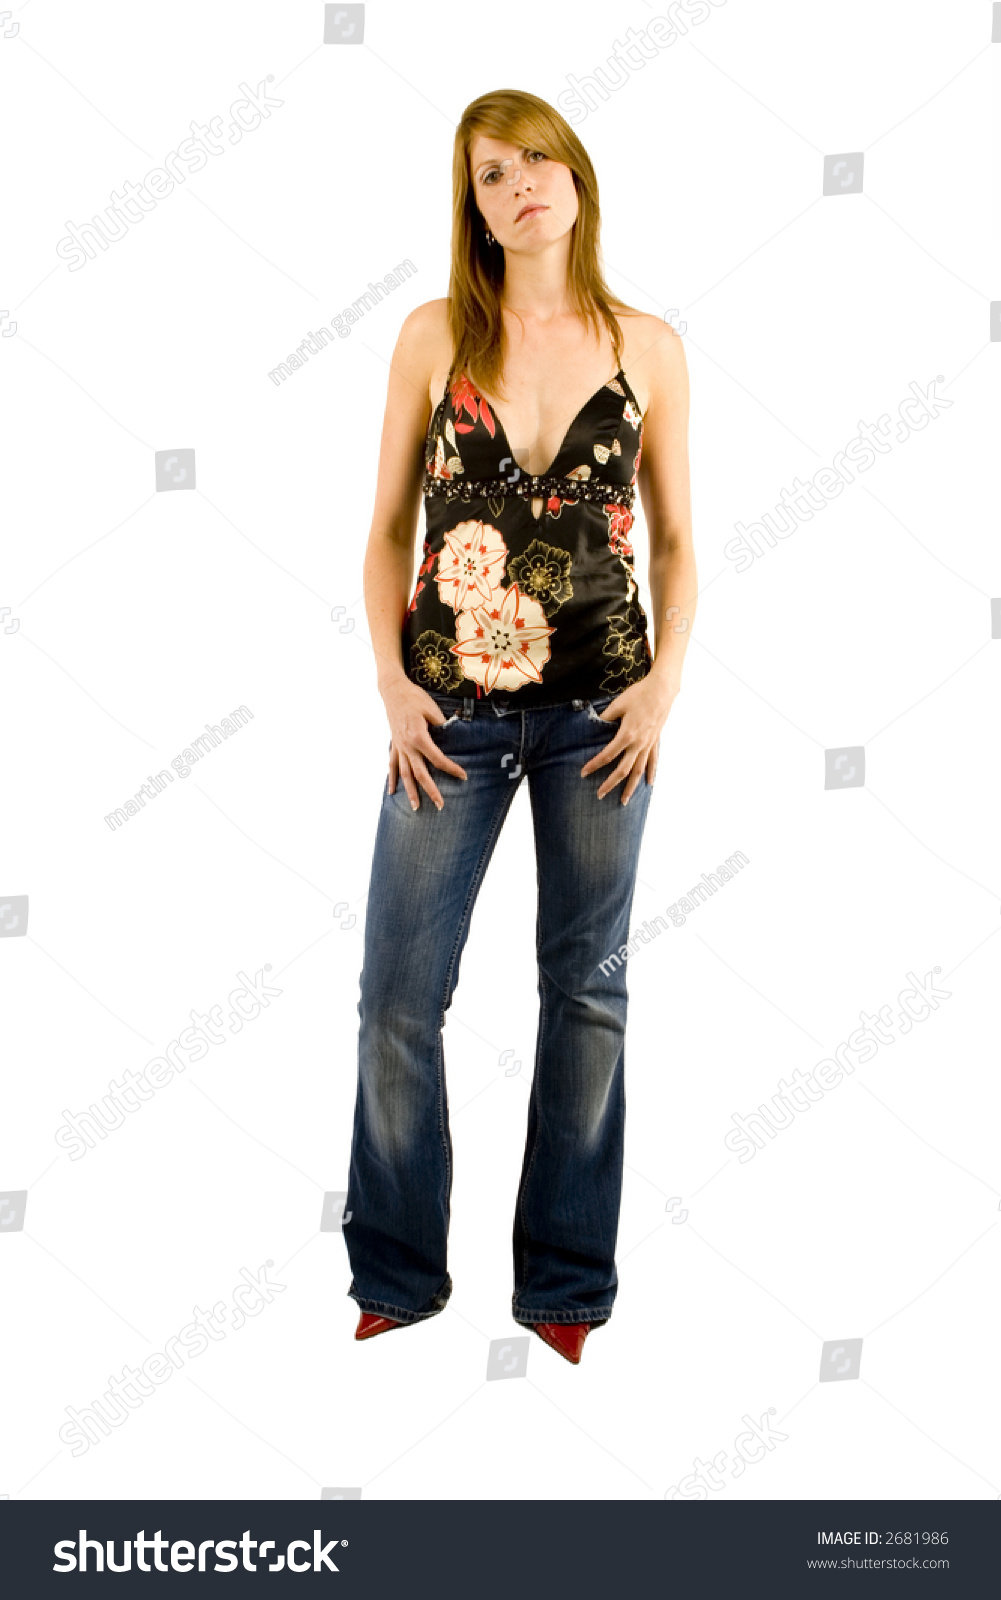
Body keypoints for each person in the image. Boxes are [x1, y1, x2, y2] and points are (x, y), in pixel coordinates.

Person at [342, 88, 695, 1365]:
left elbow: (674, 541)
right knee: (396, 995)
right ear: (474, 207)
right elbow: (388, 531)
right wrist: (391, 681)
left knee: (584, 994)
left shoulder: (644, 346)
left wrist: (660, 686)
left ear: (577, 181)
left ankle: (562, 1287)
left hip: (606, 716)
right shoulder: (434, 336)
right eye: (493, 175)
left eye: (538, 161)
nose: (520, 187)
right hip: (448, 720)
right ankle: (394, 1266)